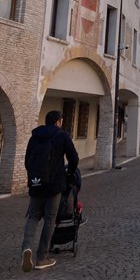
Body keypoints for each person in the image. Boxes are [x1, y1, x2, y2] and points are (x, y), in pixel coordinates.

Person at [21, 110, 79, 272]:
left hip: (36, 184)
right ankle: (42, 257)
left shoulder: (35, 137)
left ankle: (27, 248)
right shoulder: (62, 136)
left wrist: (35, 178)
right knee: (49, 219)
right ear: (58, 122)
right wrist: (69, 172)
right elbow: (74, 158)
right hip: (54, 184)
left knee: (33, 217)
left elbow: (27, 161)